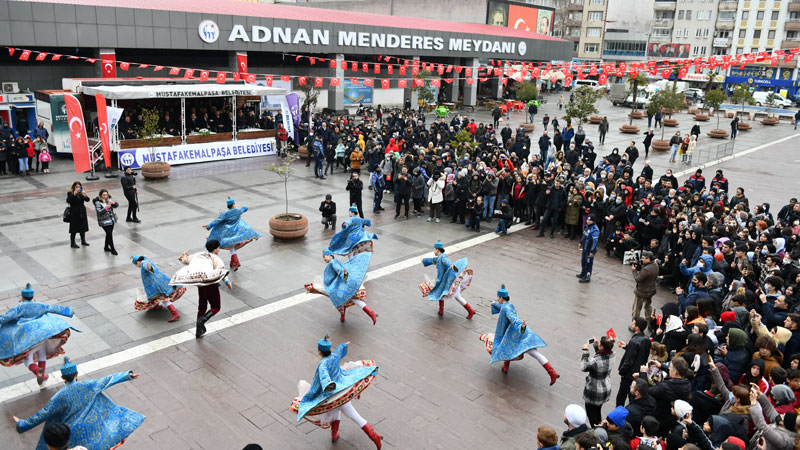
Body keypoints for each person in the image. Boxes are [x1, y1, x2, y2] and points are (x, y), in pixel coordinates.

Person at [13, 358, 144, 450]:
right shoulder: (87, 385)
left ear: (63, 378)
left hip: (74, 434)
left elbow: (42, 414)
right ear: (77, 374)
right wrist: (127, 375)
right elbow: (107, 380)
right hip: (95, 428)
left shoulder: (59, 396)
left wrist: (22, 424)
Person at [291, 336, 382, 449]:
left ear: (319, 351)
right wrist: (345, 344)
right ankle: (334, 435)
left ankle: (375, 437)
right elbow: (339, 350)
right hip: (341, 389)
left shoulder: (323, 364)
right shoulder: (334, 356)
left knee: (355, 417)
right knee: (338, 413)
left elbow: (324, 377)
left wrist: (328, 385)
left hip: (333, 395)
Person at [479, 284, 560, 384]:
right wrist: (494, 304)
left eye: (497, 297)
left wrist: (521, 327)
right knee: (507, 347)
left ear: (501, 297)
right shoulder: (508, 305)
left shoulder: (507, 308)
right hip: (514, 333)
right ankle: (505, 367)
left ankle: (552, 373)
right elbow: (502, 307)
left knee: (534, 353)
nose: (497, 299)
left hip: (518, 335)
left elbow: (513, 318)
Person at [0, 283, 75, 385]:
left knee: (27, 359)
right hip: (41, 336)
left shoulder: (19, 307)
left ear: (22, 297)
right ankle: (42, 375)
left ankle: (37, 371)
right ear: (32, 296)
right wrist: (69, 311)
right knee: (42, 353)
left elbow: (5, 318)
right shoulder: (39, 305)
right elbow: (53, 308)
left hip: (28, 339)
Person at [170, 239, 232, 338]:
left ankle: (198, 331)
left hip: (199, 283)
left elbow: (185, 260)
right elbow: (221, 271)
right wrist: (228, 282)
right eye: (218, 248)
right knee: (216, 307)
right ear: (215, 249)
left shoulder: (198, 255)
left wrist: (182, 257)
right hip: (210, 283)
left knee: (202, 306)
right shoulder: (215, 258)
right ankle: (202, 321)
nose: (219, 250)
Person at [304, 249, 377, 324]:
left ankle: (371, 313)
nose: (324, 259)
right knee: (344, 301)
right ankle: (343, 316)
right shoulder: (334, 261)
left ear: (329, 255)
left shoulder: (333, 262)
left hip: (337, 284)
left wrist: (344, 275)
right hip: (337, 283)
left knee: (350, 299)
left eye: (324, 256)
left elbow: (340, 270)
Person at [420, 240, 475, 318]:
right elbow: (433, 260)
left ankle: (470, 310)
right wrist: (424, 260)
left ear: (437, 249)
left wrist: (453, 269)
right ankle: (441, 310)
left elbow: (449, 263)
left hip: (449, 281)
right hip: (445, 281)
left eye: (434, 249)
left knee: (457, 296)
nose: (433, 251)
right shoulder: (439, 258)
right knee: (440, 293)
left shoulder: (443, 257)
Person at [203, 197, 262, 271]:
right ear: (233, 204)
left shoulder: (225, 213)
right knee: (233, 247)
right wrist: (244, 208)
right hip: (237, 233)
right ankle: (234, 262)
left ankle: (235, 262)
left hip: (228, 233)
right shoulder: (238, 211)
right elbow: (244, 208)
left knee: (232, 247)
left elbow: (217, 220)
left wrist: (209, 226)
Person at [132, 255, 185, 322]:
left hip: (156, 285)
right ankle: (157, 305)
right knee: (157, 296)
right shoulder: (146, 260)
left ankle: (175, 314)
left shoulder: (143, 263)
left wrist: (149, 268)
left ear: (138, 262)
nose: (137, 265)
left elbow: (148, 267)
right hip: (157, 283)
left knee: (164, 299)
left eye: (136, 264)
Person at [615, 317, 651, 406]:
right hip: (639, 372)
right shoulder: (646, 339)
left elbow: (629, 361)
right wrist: (627, 347)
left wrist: (622, 371)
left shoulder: (634, 341)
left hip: (629, 374)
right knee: (632, 396)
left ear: (637, 327)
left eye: (634, 323)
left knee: (621, 396)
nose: (632, 324)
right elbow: (640, 353)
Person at [581, 336, 616, 426]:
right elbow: (602, 358)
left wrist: (585, 352)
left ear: (602, 347)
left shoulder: (595, 360)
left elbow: (584, 367)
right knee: (597, 411)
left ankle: (597, 431)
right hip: (605, 387)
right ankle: (600, 426)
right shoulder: (613, 354)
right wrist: (596, 347)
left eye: (599, 343)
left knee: (591, 415)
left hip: (594, 390)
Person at [631, 251, 658, 320]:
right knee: (648, 307)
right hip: (651, 290)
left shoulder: (646, 269)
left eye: (643, 258)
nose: (641, 259)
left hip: (642, 291)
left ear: (648, 259)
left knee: (636, 308)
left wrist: (634, 270)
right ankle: (650, 323)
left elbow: (638, 279)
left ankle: (635, 324)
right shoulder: (655, 265)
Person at [92, 189, 119, 255]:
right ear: (100, 195)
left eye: (106, 195)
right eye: (104, 195)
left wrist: (114, 203)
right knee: (109, 234)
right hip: (104, 221)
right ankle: (112, 249)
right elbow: (99, 212)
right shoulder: (98, 202)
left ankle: (106, 247)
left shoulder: (109, 199)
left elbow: (116, 206)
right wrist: (106, 207)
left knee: (108, 234)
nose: (105, 196)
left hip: (111, 219)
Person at [66, 182, 90, 249]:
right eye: (76, 187)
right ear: (73, 187)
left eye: (79, 187)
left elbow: (88, 200)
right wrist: (74, 194)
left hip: (82, 211)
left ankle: (83, 240)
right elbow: (68, 200)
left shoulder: (81, 193)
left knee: (83, 227)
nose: (78, 188)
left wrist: (85, 195)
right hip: (74, 212)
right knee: (74, 228)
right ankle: (72, 243)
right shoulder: (70, 193)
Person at [577, 214, 599, 283]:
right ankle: (583, 273)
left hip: (590, 250)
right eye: (587, 219)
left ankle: (587, 277)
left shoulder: (595, 229)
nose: (588, 221)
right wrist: (580, 242)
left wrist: (592, 251)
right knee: (583, 261)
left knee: (588, 263)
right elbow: (584, 235)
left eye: (590, 220)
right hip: (585, 248)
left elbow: (595, 242)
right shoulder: (587, 226)